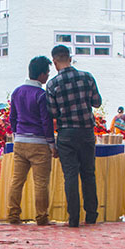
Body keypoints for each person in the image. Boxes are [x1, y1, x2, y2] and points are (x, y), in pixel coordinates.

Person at [45, 44, 102, 227]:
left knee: (70, 175)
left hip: (66, 134)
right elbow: (97, 103)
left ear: (54, 62)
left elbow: (53, 112)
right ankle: (92, 215)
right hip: (86, 132)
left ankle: (74, 218)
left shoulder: (52, 84)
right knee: (88, 174)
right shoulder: (87, 77)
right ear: (70, 58)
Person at [6, 55, 55, 225]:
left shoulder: (17, 92)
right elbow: (46, 121)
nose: (48, 76)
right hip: (39, 143)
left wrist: (16, 134)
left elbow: (12, 117)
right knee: (40, 183)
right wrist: (51, 143)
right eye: (47, 73)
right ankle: (41, 217)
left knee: (17, 180)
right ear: (41, 74)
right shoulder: (41, 95)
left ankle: (13, 214)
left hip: (20, 141)